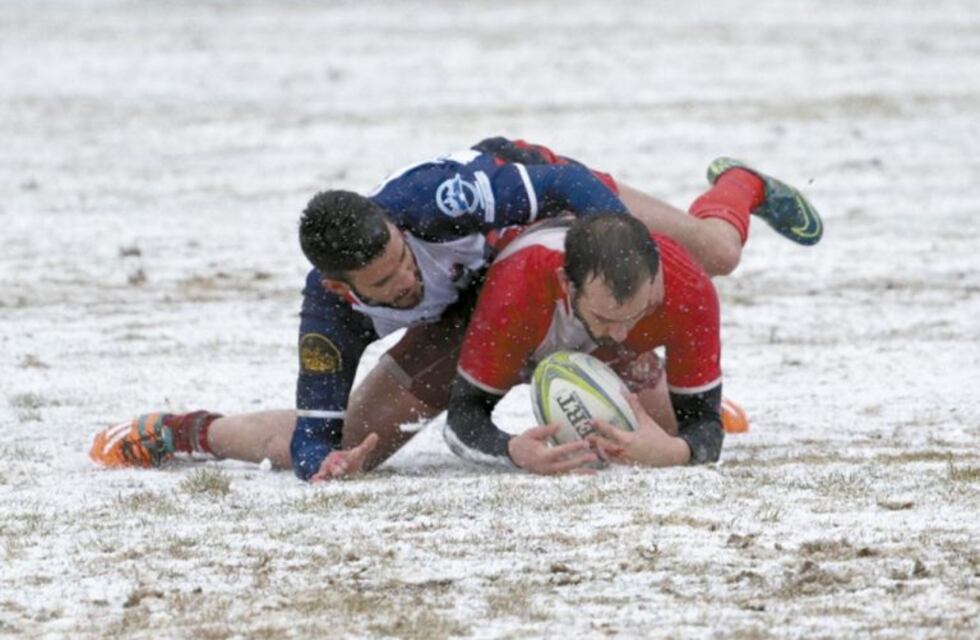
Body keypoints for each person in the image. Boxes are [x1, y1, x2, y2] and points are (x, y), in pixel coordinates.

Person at [89, 139, 821, 480]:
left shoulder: (440, 201)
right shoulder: (329, 321)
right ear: (345, 287)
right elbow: (316, 438)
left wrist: (608, 252)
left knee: (711, 257)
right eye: (385, 283)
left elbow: (563, 184)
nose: (406, 279)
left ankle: (741, 183)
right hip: (487, 312)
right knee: (358, 445)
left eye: (405, 258)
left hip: (562, 228)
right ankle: (189, 431)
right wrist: (324, 466)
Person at [444, 158, 818, 473]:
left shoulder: (686, 290)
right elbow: (463, 419)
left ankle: (740, 181)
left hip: (598, 249)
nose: (622, 334)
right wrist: (513, 452)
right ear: (567, 285)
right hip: (536, 187)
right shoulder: (518, 290)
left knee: (719, 252)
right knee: (396, 409)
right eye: (606, 318)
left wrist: (676, 452)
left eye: (635, 315)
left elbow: (703, 431)